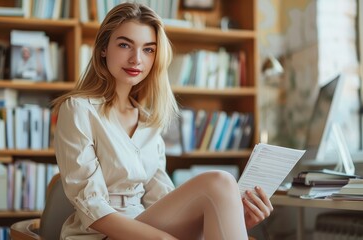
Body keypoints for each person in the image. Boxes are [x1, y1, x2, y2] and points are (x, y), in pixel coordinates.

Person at [53, 3, 273, 240]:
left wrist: (235, 218)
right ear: (104, 48)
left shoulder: (149, 122)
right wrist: (161, 238)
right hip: (100, 234)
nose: (136, 59)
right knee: (219, 182)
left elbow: (163, 199)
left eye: (148, 49)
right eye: (125, 44)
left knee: (222, 189)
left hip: (147, 227)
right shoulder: (78, 109)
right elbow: (91, 206)